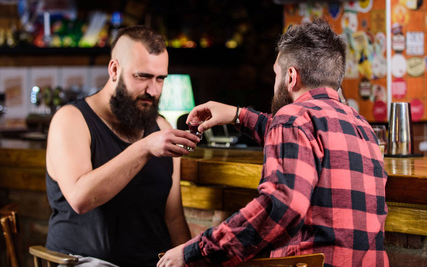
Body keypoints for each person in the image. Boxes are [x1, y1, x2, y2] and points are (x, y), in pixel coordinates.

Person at [158, 19, 389, 267]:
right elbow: (300, 139)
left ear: (291, 77)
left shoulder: (292, 118)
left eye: (276, 74)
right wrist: (237, 115)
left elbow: (282, 206)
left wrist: (195, 251)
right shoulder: (361, 126)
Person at [45, 25, 200, 266]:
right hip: (83, 261)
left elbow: (173, 218)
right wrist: (145, 147)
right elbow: (80, 199)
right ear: (115, 69)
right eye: (143, 77)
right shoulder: (71, 120)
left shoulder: (163, 129)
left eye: (160, 79)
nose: (153, 90)